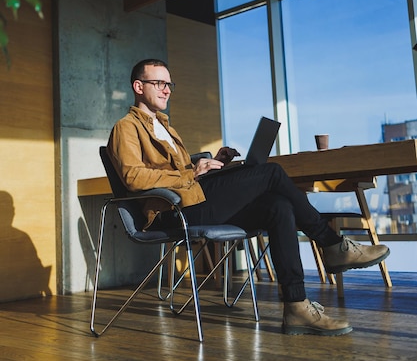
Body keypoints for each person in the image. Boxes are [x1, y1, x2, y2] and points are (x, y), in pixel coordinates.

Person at [107, 58, 390, 336]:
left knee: (278, 206)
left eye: (169, 84)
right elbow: (134, 178)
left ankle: (296, 306)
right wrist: (192, 173)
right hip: (172, 211)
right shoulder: (126, 127)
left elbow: (179, 171)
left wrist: (214, 162)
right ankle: (332, 245)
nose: (166, 89)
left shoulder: (166, 126)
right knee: (272, 174)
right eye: (159, 83)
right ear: (138, 86)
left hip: (192, 200)